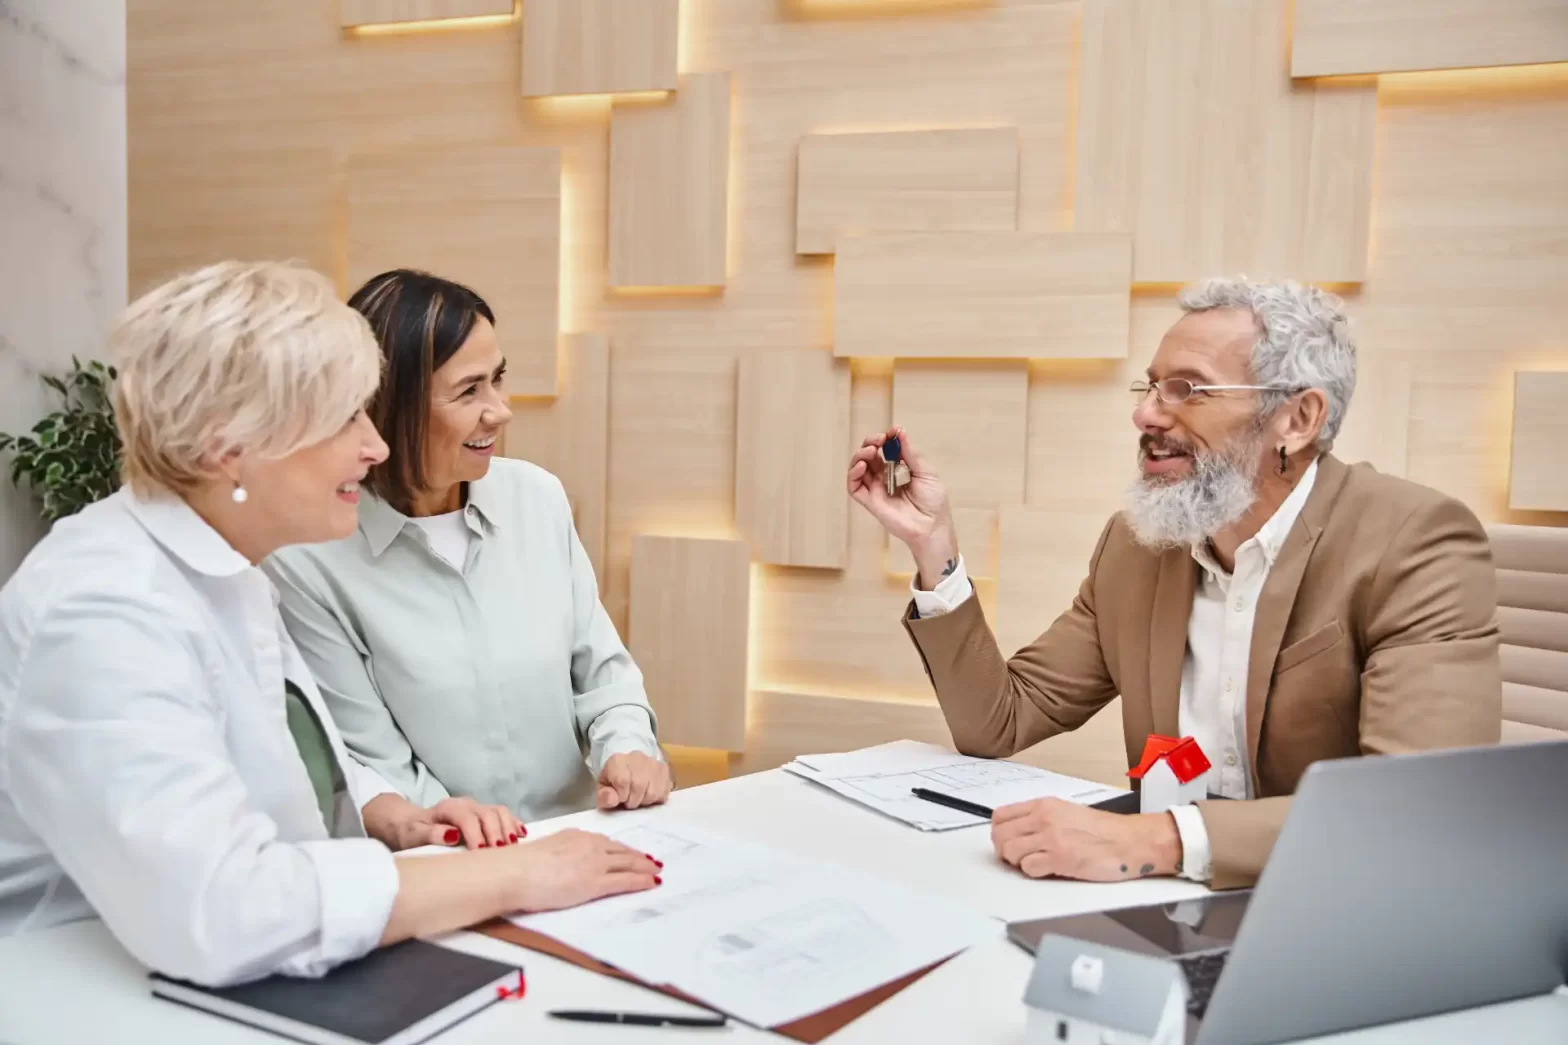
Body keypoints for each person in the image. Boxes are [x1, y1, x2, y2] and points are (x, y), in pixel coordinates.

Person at [0, 261, 660, 986]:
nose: (375, 447)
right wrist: (513, 875)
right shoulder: (102, 610)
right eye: (345, 417)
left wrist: (392, 812)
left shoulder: (232, 569)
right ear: (230, 448)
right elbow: (224, 909)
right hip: (75, 989)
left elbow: (299, 782)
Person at [848, 277, 1501, 891]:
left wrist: (1157, 839)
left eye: (1188, 390)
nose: (1147, 416)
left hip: (1332, 913)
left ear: (1297, 419)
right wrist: (934, 546)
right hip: (1165, 910)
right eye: (1151, 386)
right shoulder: (1138, 547)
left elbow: (1412, 811)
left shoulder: (1413, 541)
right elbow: (1000, 720)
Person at [265, 270, 669, 823]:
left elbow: (603, 673)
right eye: (469, 391)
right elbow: (373, 760)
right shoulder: (308, 559)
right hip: (446, 864)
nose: (499, 409)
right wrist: (473, 836)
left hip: (583, 835)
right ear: (388, 407)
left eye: (497, 380)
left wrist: (628, 747)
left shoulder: (537, 497)